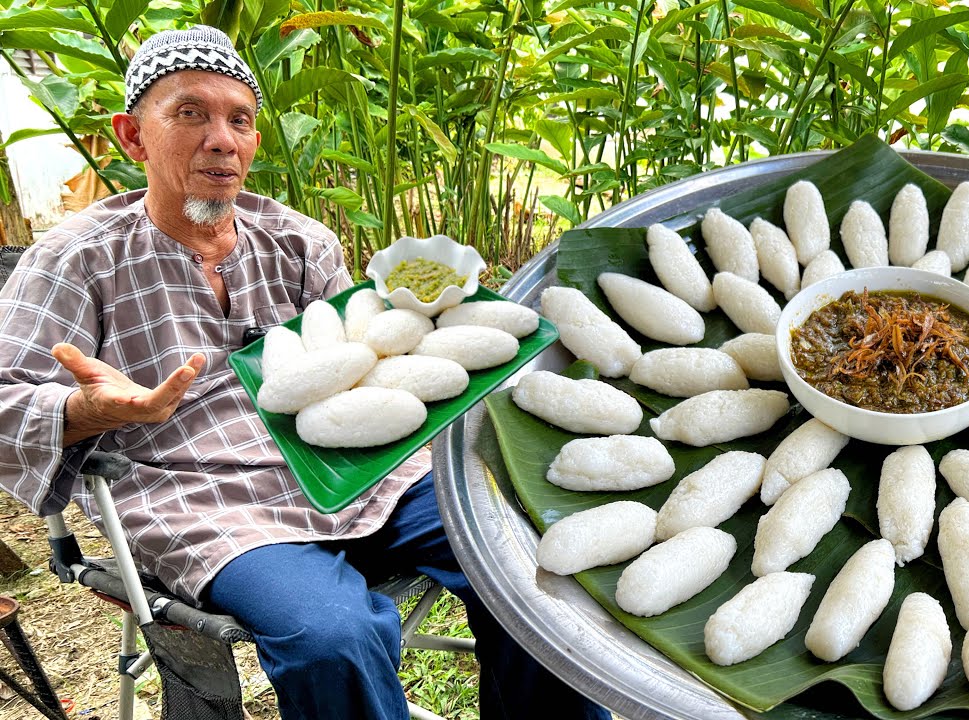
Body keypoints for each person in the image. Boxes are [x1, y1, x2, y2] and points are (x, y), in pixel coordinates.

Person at [0, 25, 609, 720]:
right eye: (190, 113)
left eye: (240, 120)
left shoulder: (298, 241)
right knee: (332, 636)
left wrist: (438, 325)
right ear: (133, 138)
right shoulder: (75, 258)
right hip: (194, 497)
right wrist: (92, 413)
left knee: (535, 563)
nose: (222, 139)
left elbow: (368, 365)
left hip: (352, 469)